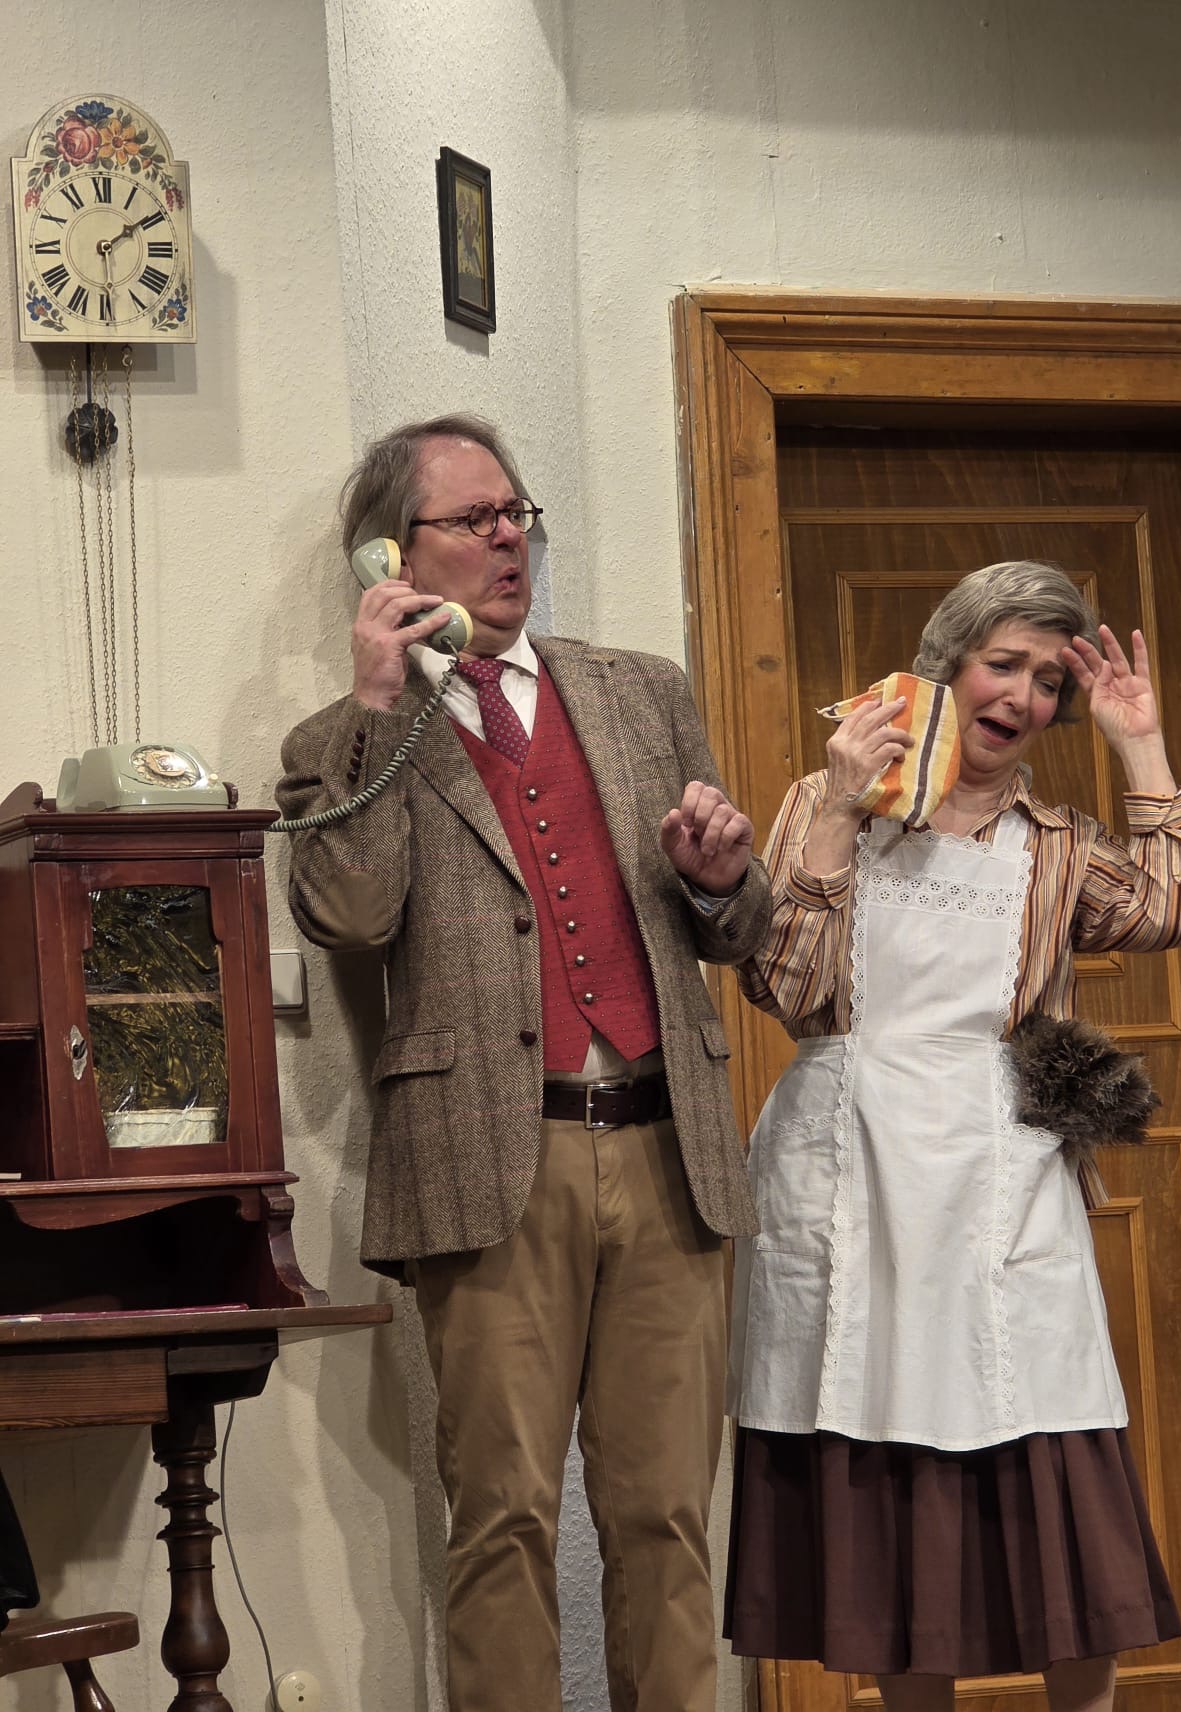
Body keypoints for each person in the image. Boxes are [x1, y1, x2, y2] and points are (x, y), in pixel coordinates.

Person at [277, 413, 770, 1712]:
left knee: (668, 1517)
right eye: (474, 518)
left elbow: (740, 928)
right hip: (491, 1163)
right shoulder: (340, 741)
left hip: (667, 1152)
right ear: (392, 555)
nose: (510, 538)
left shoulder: (642, 692)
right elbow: (348, 916)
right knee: (502, 1519)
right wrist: (379, 705)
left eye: (517, 513)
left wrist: (722, 881)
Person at [725, 560, 1181, 1712]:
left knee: (1055, 1468)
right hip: (852, 1169)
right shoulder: (823, 800)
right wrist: (840, 807)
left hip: (1001, 1174)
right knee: (888, 1475)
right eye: (1006, 664)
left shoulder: (1057, 841)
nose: (1024, 695)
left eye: (1048, 681)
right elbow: (781, 985)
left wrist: (1141, 744)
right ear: (946, 660)